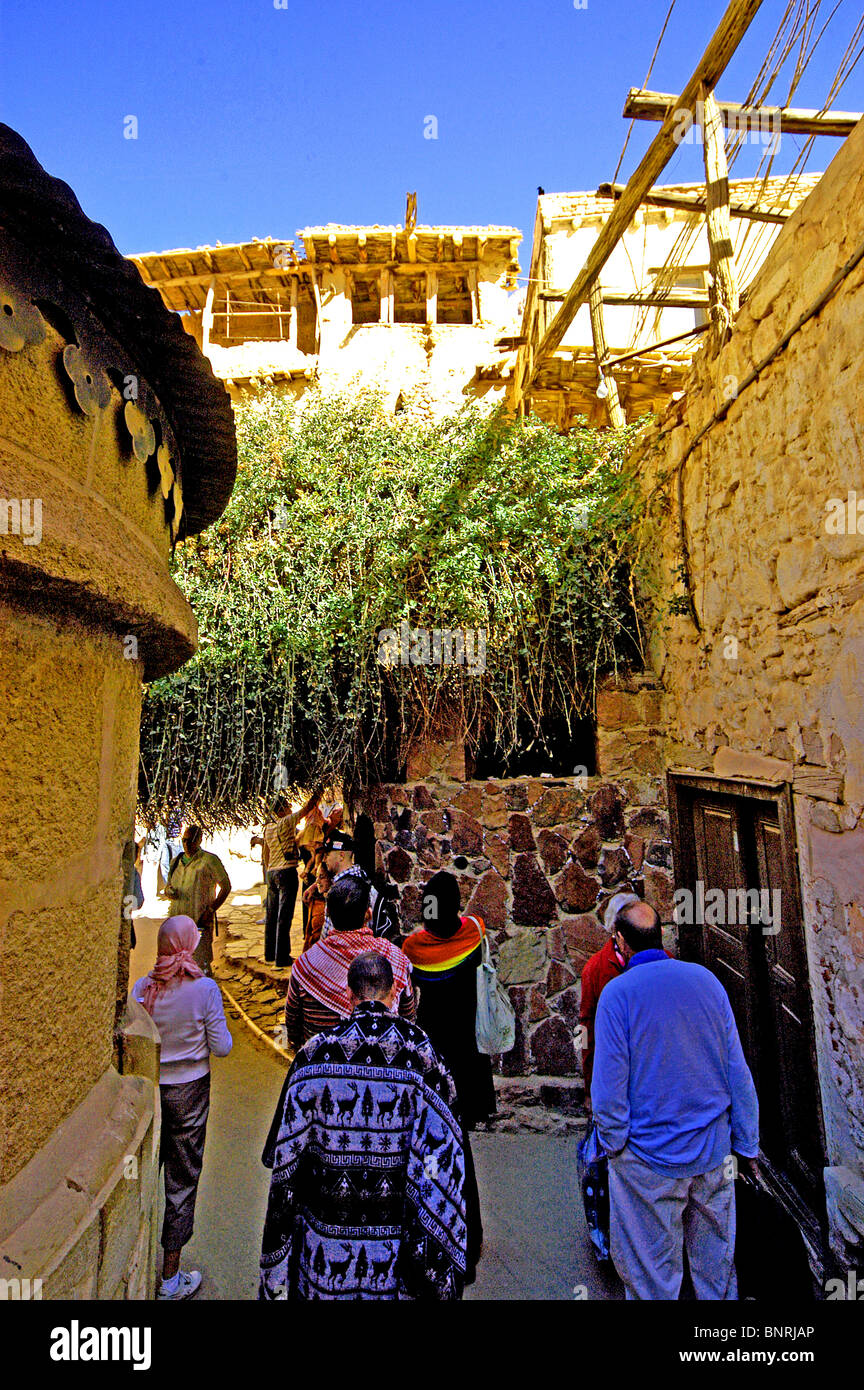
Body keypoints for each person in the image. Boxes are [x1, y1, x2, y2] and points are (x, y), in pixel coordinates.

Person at [259, 951, 467, 1300]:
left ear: (348, 995)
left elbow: (287, 1166)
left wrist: (278, 1266)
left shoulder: (312, 1057)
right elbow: (444, 1165)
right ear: (394, 993)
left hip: (324, 1256)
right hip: (396, 1259)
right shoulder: (425, 1057)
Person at [591, 899, 760, 1301]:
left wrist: (615, 1147)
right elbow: (737, 1070)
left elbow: (609, 1089)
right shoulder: (706, 981)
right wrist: (747, 1143)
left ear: (620, 941)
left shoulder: (617, 995)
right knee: (716, 1268)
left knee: (652, 1278)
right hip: (711, 1152)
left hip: (648, 1160)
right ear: (660, 934)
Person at [131, 916, 233, 1300]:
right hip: (190, 1093)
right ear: (189, 944)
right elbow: (221, 1046)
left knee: (142, 1174)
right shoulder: (204, 990)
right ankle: (170, 1278)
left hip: (150, 1090)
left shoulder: (144, 988)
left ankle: (136, 1266)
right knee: (182, 1180)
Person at [402, 870, 495, 1279]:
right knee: (463, 1148)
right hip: (469, 1056)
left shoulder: (413, 949)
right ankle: (470, 1237)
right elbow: (474, 924)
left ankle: (438, 1230)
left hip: (434, 1057)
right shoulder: (474, 934)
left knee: (434, 1148)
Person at [284, 873, 415, 1050]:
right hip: (382, 1062)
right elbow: (408, 1019)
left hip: (322, 1063)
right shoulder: (394, 957)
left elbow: (292, 1024)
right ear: (368, 914)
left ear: (328, 913)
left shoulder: (305, 965)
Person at [579, 891, 641, 1102]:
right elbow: (586, 1029)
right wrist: (589, 1088)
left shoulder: (664, 961)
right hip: (616, 1068)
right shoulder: (595, 969)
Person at [164, 826, 231, 974]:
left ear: (200, 840)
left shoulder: (209, 861)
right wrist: (169, 892)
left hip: (199, 920)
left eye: (191, 840)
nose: (187, 844)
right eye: (184, 840)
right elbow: (168, 886)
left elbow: (226, 886)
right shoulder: (176, 862)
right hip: (178, 923)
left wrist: (211, 910)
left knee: (201, 964)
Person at [301, 858, 332, 952]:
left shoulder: (325, 907)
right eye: (316, 877)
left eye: (322, 877)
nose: (317, 881)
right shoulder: (315, 903)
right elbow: (309, 937)